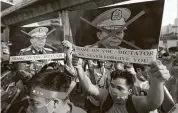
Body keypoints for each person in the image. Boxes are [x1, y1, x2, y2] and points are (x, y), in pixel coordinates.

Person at [72, 56, 170, 113]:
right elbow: (89, 87)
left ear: (129, 90)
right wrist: (79, 68)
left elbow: (153, 103)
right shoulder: (105, 96)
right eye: (112, 85)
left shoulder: (134, 102)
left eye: (120, 88)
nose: (114, 90)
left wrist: (158, 80)